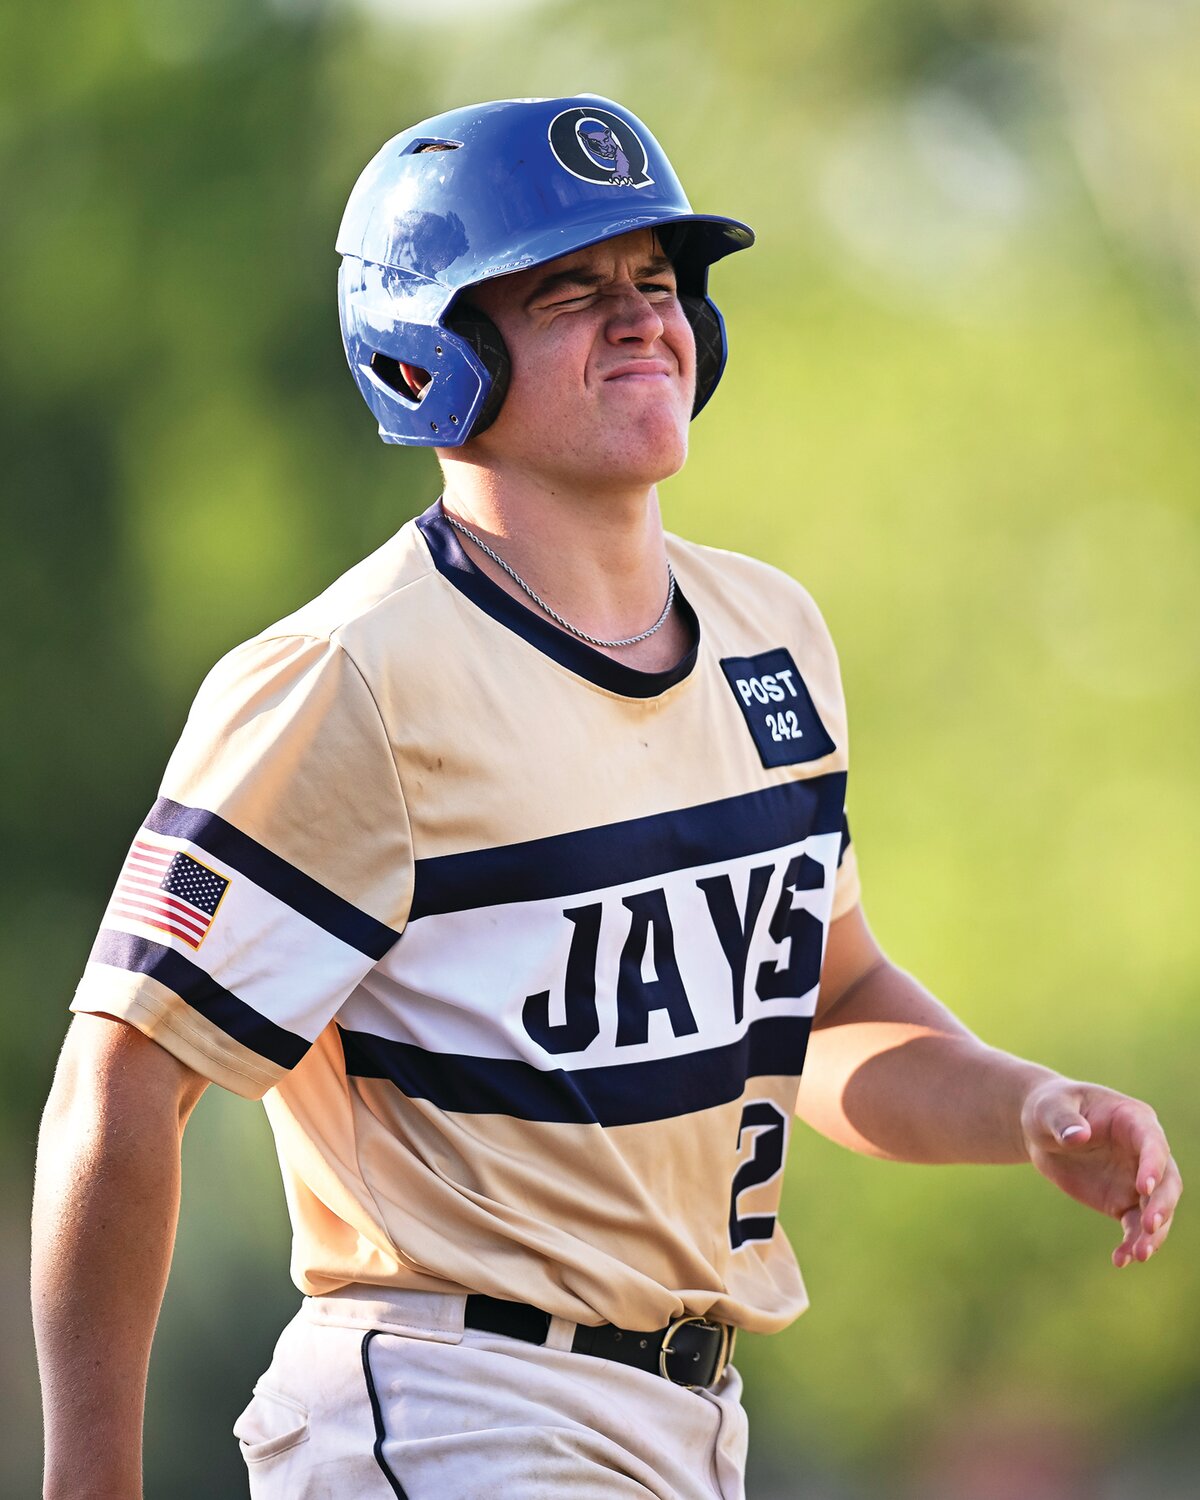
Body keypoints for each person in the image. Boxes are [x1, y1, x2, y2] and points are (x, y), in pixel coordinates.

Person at [32, 94, 1180, 1500]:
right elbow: (124, 1071)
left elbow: (825, 1008)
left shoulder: (771, 635)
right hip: (459, 1407)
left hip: (690, 1424)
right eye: (570, 289)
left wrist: (1026, 1105)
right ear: (427, 359)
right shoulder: (349, 681)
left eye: (658, 280)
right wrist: (92, 1479)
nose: (642, 318)